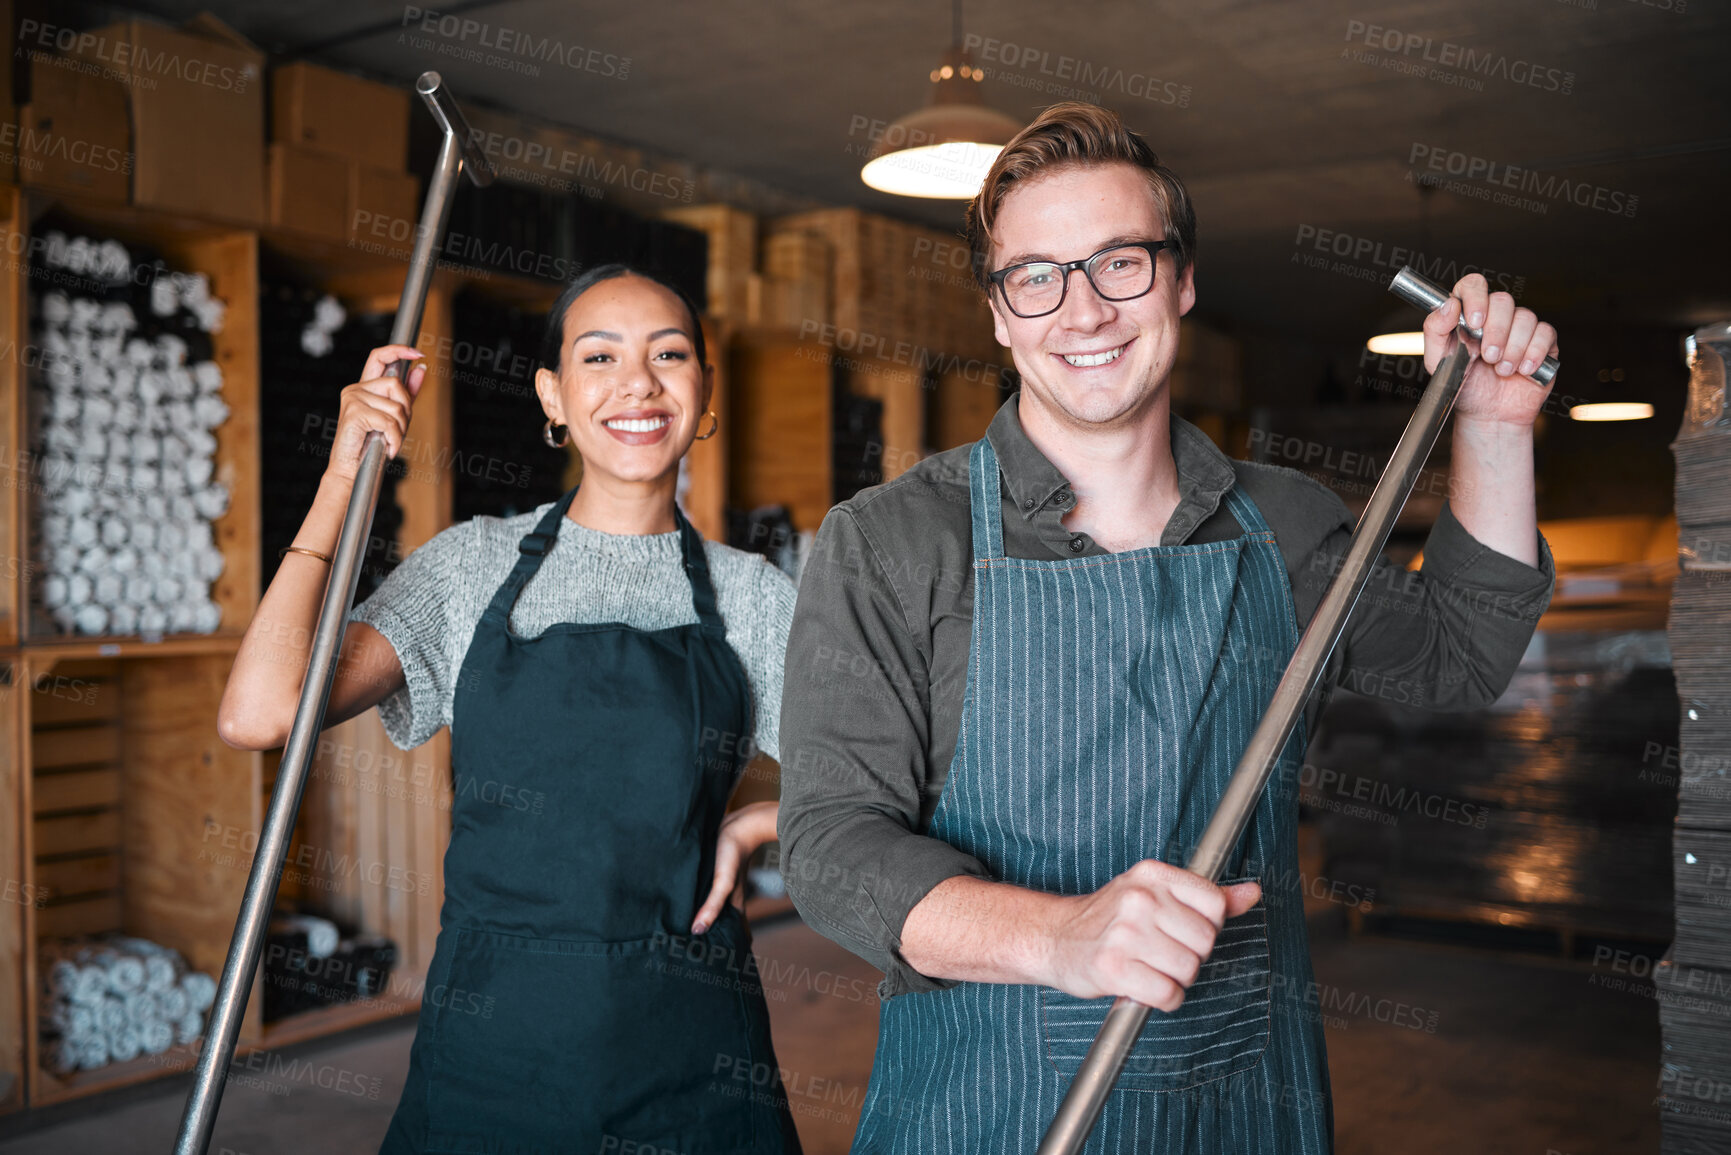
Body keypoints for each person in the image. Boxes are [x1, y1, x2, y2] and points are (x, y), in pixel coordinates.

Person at [778, 102, 1557, 1152]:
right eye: (1037, 275)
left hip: (1243, 1102)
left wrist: (1497, 428)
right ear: (1000, 314)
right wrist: (1063, 938)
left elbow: (1462, 656)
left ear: (1181, 280)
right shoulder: (891, 541)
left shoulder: (1282, 524)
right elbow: (829, 847)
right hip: (985, 1106)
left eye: (1120, 263)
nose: (1083, 309)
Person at [218, 264, 804, 1153]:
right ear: (553, 396)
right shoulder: (469, 569)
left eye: (669, 354)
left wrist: (764, 819)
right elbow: (261, 712)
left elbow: (900, 777)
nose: (638, 383)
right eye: (599, 356)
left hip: (688, 1050)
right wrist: (343, 477)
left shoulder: (752, 596)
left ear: (702, 390)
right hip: (493, 1043)